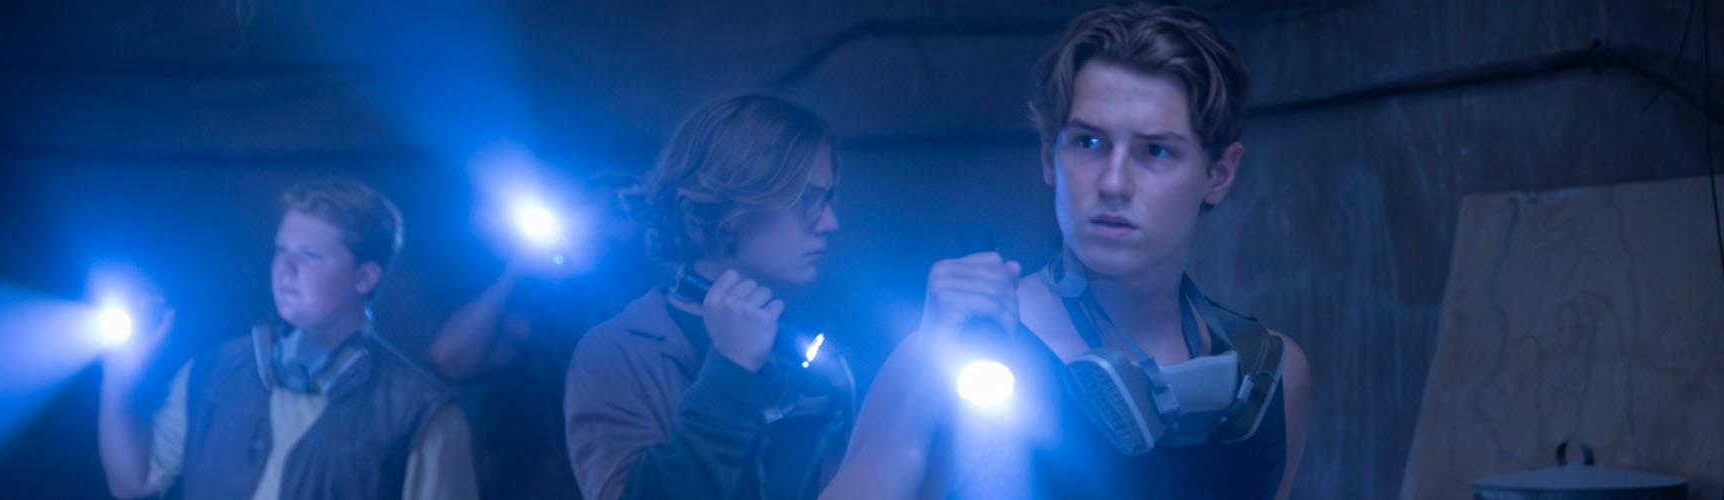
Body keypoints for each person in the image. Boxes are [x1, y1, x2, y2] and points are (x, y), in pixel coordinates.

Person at [828, 4, 1312, 499]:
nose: (1114, 183)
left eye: (1155, 150)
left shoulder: (1271, 377)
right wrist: (922, 394)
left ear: (1219, 174)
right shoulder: (952, 347)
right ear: (1049, 158)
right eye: (1089, 142)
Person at [97, 180, 478, 499]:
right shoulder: (213, 371)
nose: (284, 268)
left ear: (365, 277)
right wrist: (118, 376)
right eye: (281, 250)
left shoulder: (421, 413)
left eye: (311, 256)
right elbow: (134, 483)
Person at [564, 94, 853, 500]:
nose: (829, 222)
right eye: (805, 199)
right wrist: (731, 372)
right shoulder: (617, 351)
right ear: (725, 202)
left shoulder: (806, 344)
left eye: (827, 198)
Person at [427, 175, 652, 500]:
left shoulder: (657, 306)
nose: (596, 221)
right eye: (586, 207)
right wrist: (519, 269)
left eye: (616, 210)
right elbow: (449, 359)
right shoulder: (541, 308)